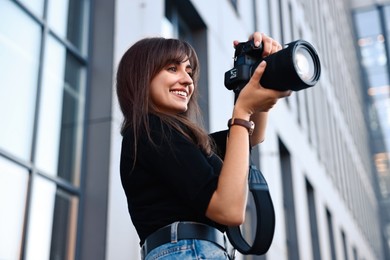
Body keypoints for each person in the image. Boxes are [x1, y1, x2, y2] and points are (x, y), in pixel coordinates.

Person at [116, 32, 291, 259]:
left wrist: (262, 74)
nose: (188, 80)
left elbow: (251, 135)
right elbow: (228, 210)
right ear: (141, 76)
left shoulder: (181, 140)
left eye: (189, 72)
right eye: (172, 69)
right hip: (187, 251)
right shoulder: (150, 130)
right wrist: (242, 111)